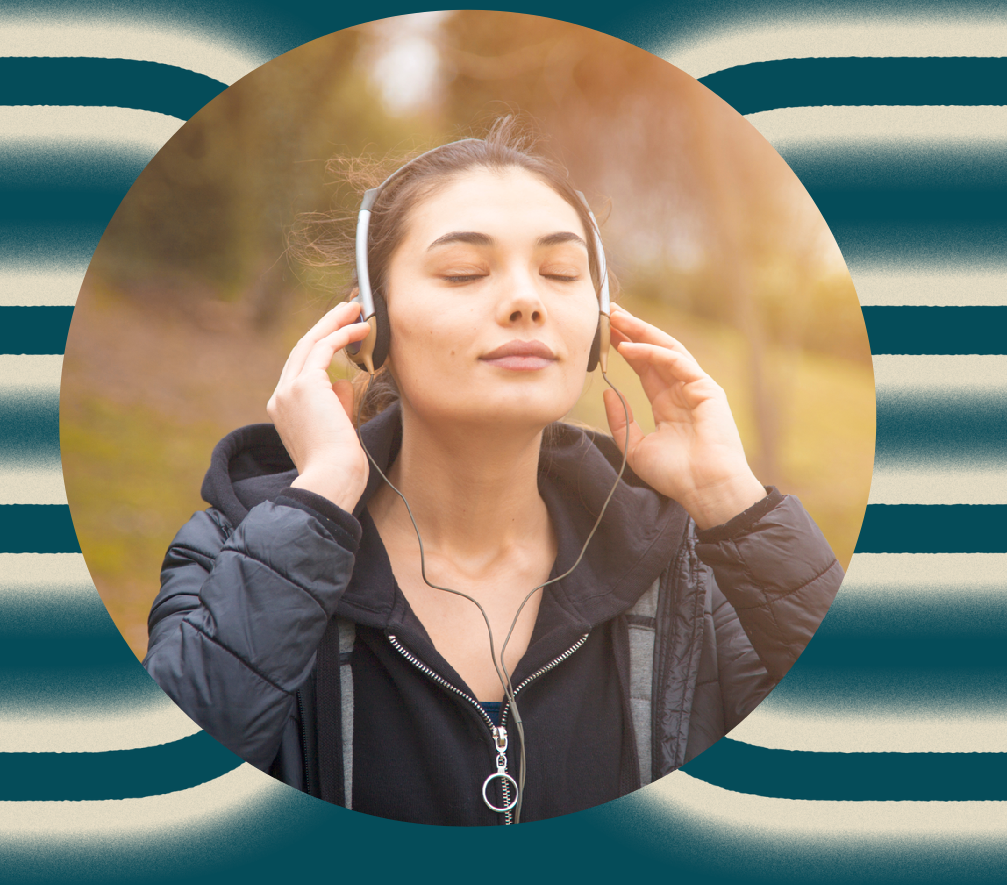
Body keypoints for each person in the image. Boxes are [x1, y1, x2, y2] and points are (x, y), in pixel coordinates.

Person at [144, 120, 842, 826]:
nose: (525, 300)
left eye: (562, 274)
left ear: (599, 323)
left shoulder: (686, 575)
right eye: (464, 273)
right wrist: (320, 496)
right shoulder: (233, 555)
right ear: (370, 327)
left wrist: (730, 502)